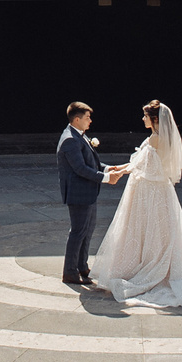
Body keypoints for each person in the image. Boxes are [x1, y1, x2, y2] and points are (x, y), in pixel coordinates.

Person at [89, 100, 182, 311]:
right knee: (161, 231)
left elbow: (140, 164)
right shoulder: (161, 137)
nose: (142, 119)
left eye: (145, 116)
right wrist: (119, 169)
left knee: (146, 228)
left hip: (149, 191)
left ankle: (147, 266)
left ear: (154, 119)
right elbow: (141, 163)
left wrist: (119, 171)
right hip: (159, 189)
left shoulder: (155, 138)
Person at [54, 101, 121, 291]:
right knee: (78, 232)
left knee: (87, 230)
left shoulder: (79, 135)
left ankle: (82, 266)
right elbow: (80, 168)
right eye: (87, 117)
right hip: (79, 194)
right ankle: (70, 272)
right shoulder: (70, 140)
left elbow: (91, 163)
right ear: (77, 119)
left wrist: (108, 168)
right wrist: (106, 178)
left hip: (88, 193)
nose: (90, 121)